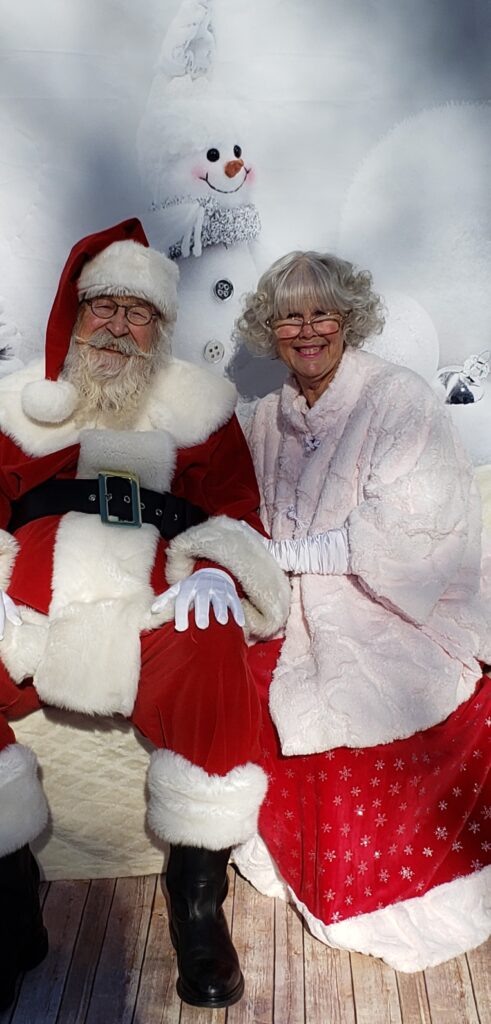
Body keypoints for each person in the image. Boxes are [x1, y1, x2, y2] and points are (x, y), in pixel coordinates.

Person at [0, 218, 290, 1016]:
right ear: (75, 316)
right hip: (30, 612)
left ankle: (196, 909)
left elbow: (237, 508)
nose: (116, 326)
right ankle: (8, 920)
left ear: (162, 327)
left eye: (136, 313)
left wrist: (215, 570)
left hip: (152, 614)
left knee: (215, 645)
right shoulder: (14, 409)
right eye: (102, 307)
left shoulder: (204, 407)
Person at [232, 250, 491, 971]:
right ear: (270, 327)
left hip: (397, 600)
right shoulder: (264, 418)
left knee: (353, 694)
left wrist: (285, 556)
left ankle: (382, 893)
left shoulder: (398, 398)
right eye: (289, 314)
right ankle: (295, 866)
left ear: (348, 320)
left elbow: (410, 532)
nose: (306, 329)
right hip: (293, 598)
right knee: (241, 674)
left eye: (322, 312)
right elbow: (240, 513)